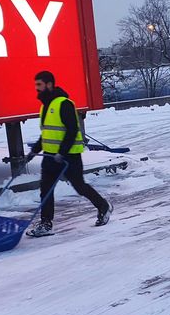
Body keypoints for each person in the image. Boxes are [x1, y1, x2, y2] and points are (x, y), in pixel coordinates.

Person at [27, 71, 112, 237]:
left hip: (69, 157)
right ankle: (46, 223)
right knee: (46, 190)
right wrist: (34, 151)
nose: (36, 88)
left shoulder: (64, 104)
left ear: (49, 84)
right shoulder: (45, 106)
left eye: (39, 84)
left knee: (79, 187)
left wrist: (62, 152)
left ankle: (103, 206)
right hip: (50, 157)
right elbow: (46, 133)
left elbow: (73, 130)